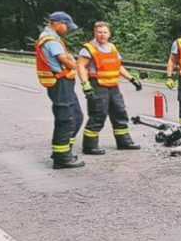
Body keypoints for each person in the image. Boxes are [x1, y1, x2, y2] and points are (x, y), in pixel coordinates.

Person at [76, 21, 143, 155]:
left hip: (113, 86)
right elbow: (80, 66)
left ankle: (124, 142)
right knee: (98, 114)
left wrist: (131, 79)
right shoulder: (88, 48)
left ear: (109, 34)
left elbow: (119, 66)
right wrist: (85, 84)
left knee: (120, 112)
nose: (102, 35)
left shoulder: (112, 47)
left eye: (105, 32)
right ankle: (89, 146)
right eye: (99, 32)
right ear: (95, 33)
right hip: (97, 85)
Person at [35, 11, 84, 169]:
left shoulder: (52, 38)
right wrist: (77, 66)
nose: (67, 29)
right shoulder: (51, 40)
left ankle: (64, 152)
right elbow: (64, 59)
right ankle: (61, 158)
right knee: (66, 118)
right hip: (60, 82)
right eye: (66, 26)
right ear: (57, 23)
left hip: (62, 82)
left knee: (76, 116)